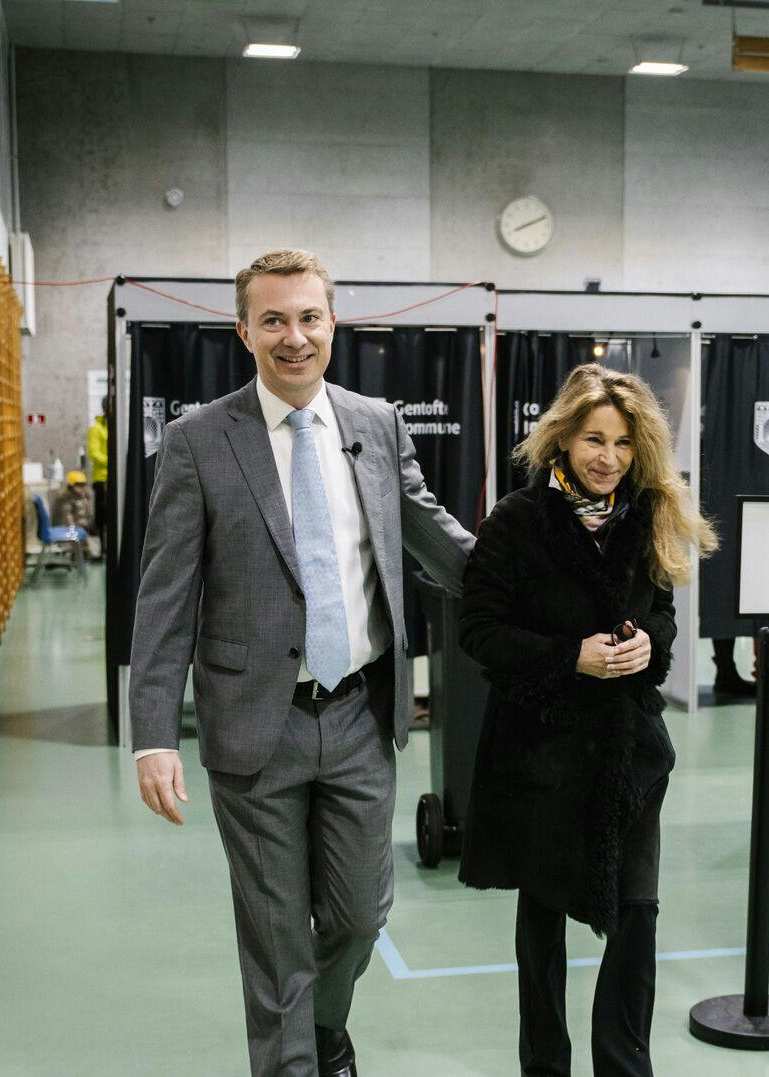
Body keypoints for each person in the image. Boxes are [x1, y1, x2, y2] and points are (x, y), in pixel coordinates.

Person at [126, 248, 473, 1077]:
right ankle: (292, 1062)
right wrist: (152, 734)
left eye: (308, 316)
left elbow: (447, 546)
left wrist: (550, 579)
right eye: (273, 320)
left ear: (332, 322)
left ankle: (322, 1026)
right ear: (244, 330)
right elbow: (165, 595)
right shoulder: (199, 441)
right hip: (256, 724)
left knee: (360, 913)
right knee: (278, 934)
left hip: (359, 712)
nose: (293, 337)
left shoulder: (377, 426)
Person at [457, 364, 717, 1076]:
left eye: (625, 444)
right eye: (594, 439)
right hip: (542, 754)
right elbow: (478, 629)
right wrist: (570, 656)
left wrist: (648, 645)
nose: (609, 457)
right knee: (542, 920)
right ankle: (545, 1065)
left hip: (629, 752)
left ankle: (624, 1066)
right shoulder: (517, 519)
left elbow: (660, 615)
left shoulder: (648, 514)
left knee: (637, 913)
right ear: (564, 438)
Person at [86, 394, 110, 541]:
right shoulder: (96, 429)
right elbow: (95, 454)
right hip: (102, 479)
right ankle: (100, 548)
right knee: (101, 516)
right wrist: (113, 463)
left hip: (115, 478)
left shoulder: (114, 427)